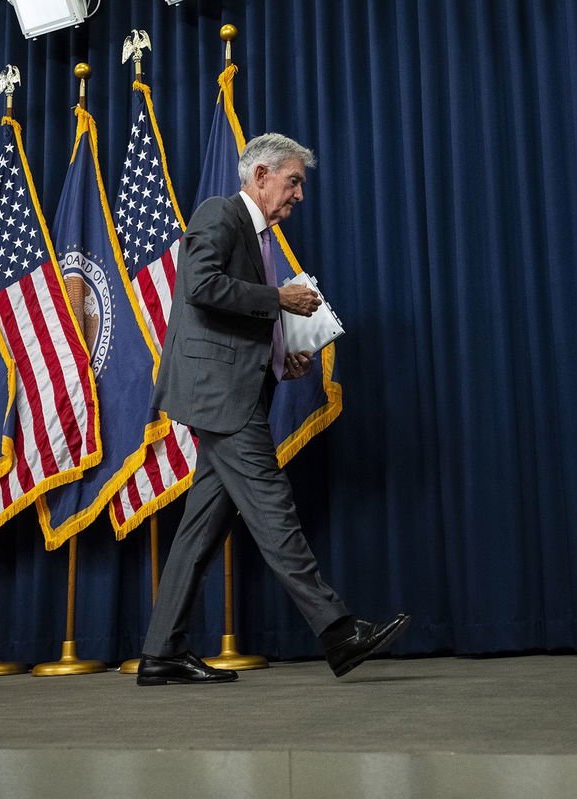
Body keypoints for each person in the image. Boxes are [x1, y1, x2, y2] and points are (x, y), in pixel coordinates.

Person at [136, 133, 410, 685]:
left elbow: (236, 323)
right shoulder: (220, 214)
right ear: (260, 176)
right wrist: (279, 299)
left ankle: (161, 652)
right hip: (221, 398)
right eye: (293, 182)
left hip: (230, 393)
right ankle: (337, 630)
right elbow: (200, 285)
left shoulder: (259, 237)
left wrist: (286, 359)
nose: (299, 195)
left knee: (200, 531)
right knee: (273, 511)